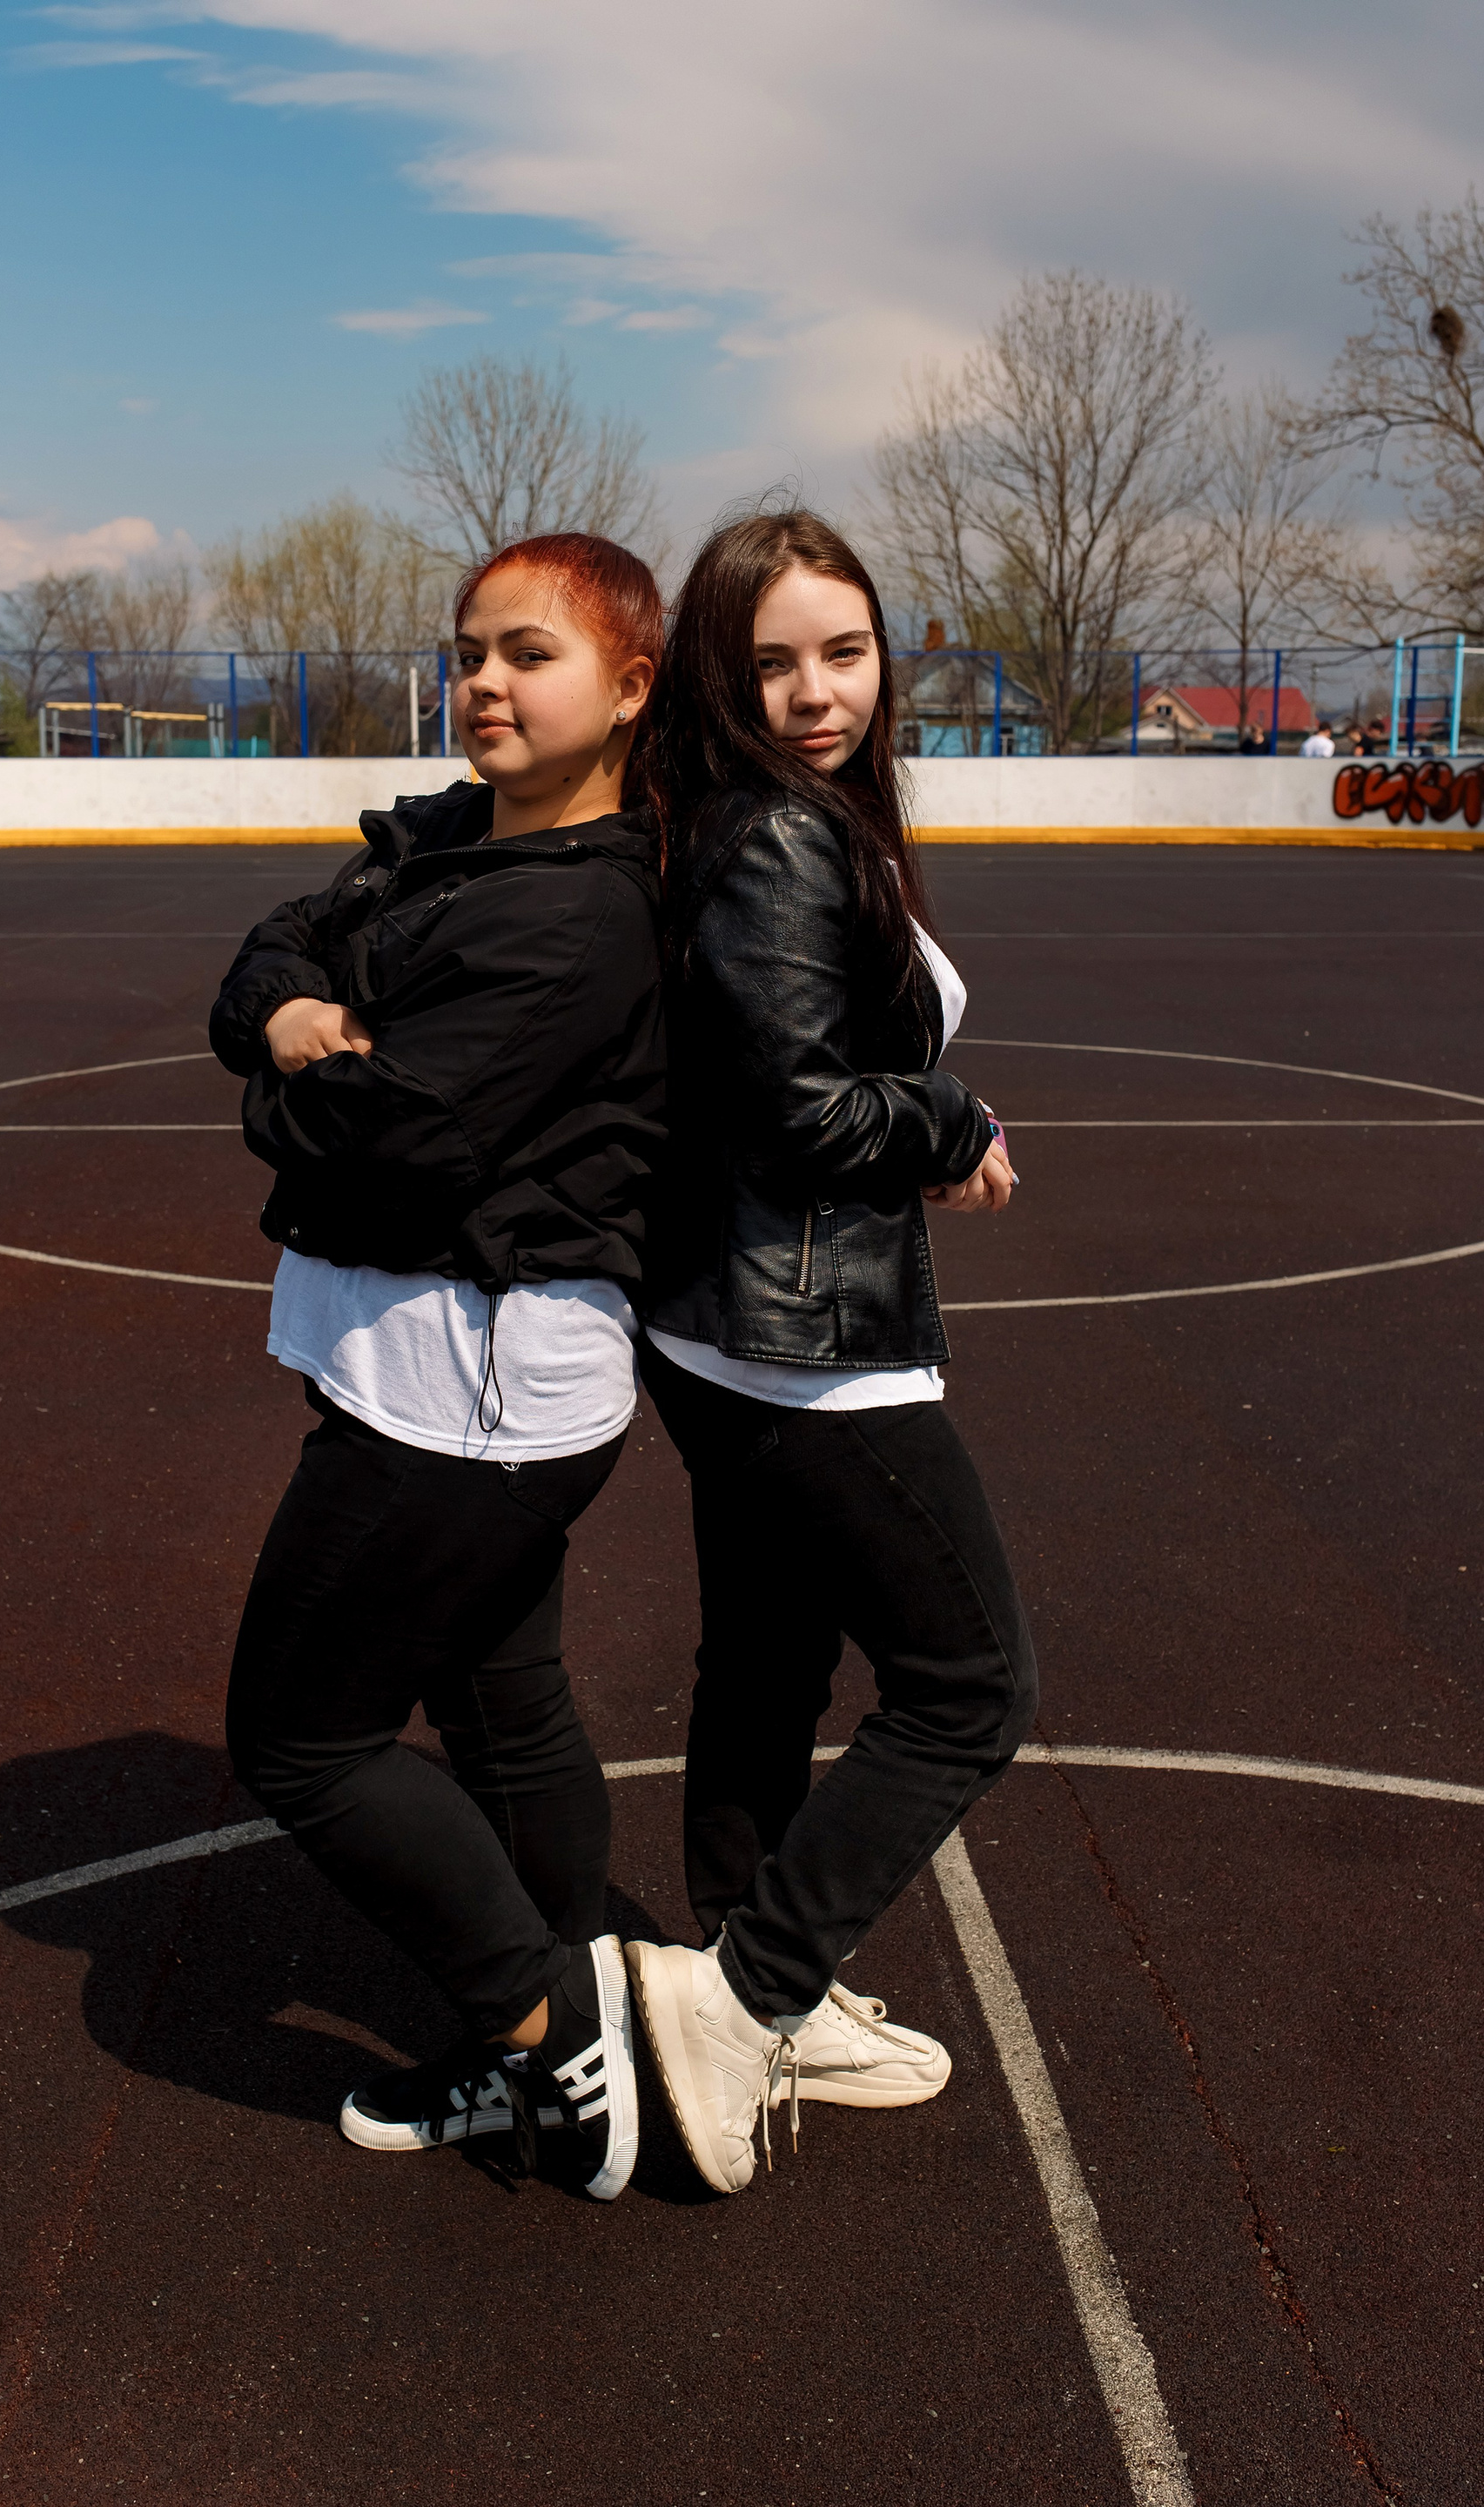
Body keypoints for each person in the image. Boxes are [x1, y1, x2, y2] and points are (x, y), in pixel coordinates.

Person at [209, 534, 666, 2201]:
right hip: (436, 1365)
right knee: (499, 1700)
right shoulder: (450, 839)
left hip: (470, 1388)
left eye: (530, 654)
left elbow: (396, 1138)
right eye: (471, 651)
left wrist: (294, 1075)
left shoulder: (585, 909)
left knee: (300, 1742)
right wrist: (289, 1018)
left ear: (630, 688)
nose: (484, 681)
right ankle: (563, 2014)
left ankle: (551, 2036)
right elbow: (273, 950)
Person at [625, 510, 1038, 2196]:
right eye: (774, 662)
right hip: (801, 1346)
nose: (816, 693)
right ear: (718, 676)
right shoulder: (779, 837)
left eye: (845, 653)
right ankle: (747, 1999)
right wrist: (952, 1120)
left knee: (770, 1660)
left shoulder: (753, 817)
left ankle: (748, 1979)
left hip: (728, 1324)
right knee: (971, 1684)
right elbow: (800, 1112)